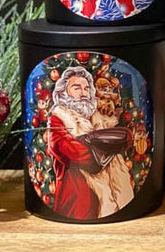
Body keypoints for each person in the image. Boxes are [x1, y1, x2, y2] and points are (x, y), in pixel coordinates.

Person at [46, 66, 134, 219]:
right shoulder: (58, 119)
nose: (83, 93)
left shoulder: (99, 118)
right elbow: (75, 153)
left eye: (86, 88)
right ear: (62, 93)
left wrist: (90, 140)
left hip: (112, 192)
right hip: (79, 197)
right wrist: (104, 145)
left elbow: (127, 136)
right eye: (76, 88)